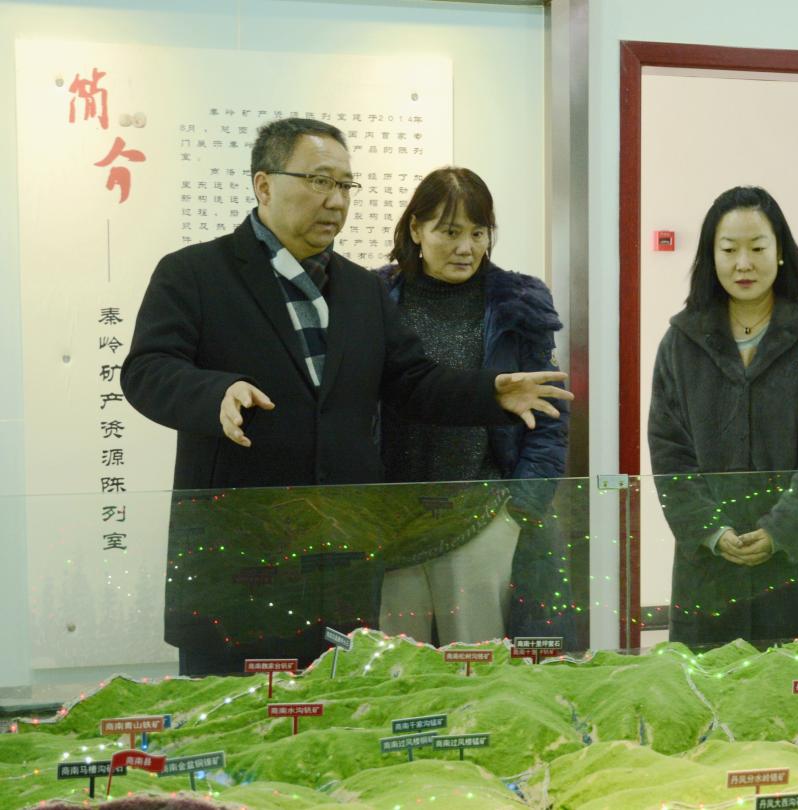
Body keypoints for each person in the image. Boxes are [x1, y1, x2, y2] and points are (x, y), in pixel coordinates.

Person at [121, 118, 571, 674]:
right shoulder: (194, 273)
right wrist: (214, 391)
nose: (335, 200)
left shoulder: (360, 289)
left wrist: (490, 393)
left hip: (340, 562)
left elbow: (412, 382)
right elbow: (147, 370)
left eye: (344, 185)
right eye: (319, 181)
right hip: (240, 555)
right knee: (233, 714)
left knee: (341, 707)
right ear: (264, 185)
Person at [648, 186, 798, 648]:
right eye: (729, 250)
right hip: (711, 570)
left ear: (780, 251)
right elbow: (669, 453)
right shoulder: (682, 342)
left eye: (758, 248)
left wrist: (782, 529)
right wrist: (711, 530)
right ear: (711, 257)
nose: (743, 263)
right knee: (710, 687)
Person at [374, 167, 575, 647]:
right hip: (390, 522)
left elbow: (550, 411)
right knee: (395, 666)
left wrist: (521, 506)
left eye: (478, 233)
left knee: (479, 665)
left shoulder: (518, 302)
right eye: (449, 232)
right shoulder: (374, 297)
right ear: (416, 229)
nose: (466, 247)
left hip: (484, 517)